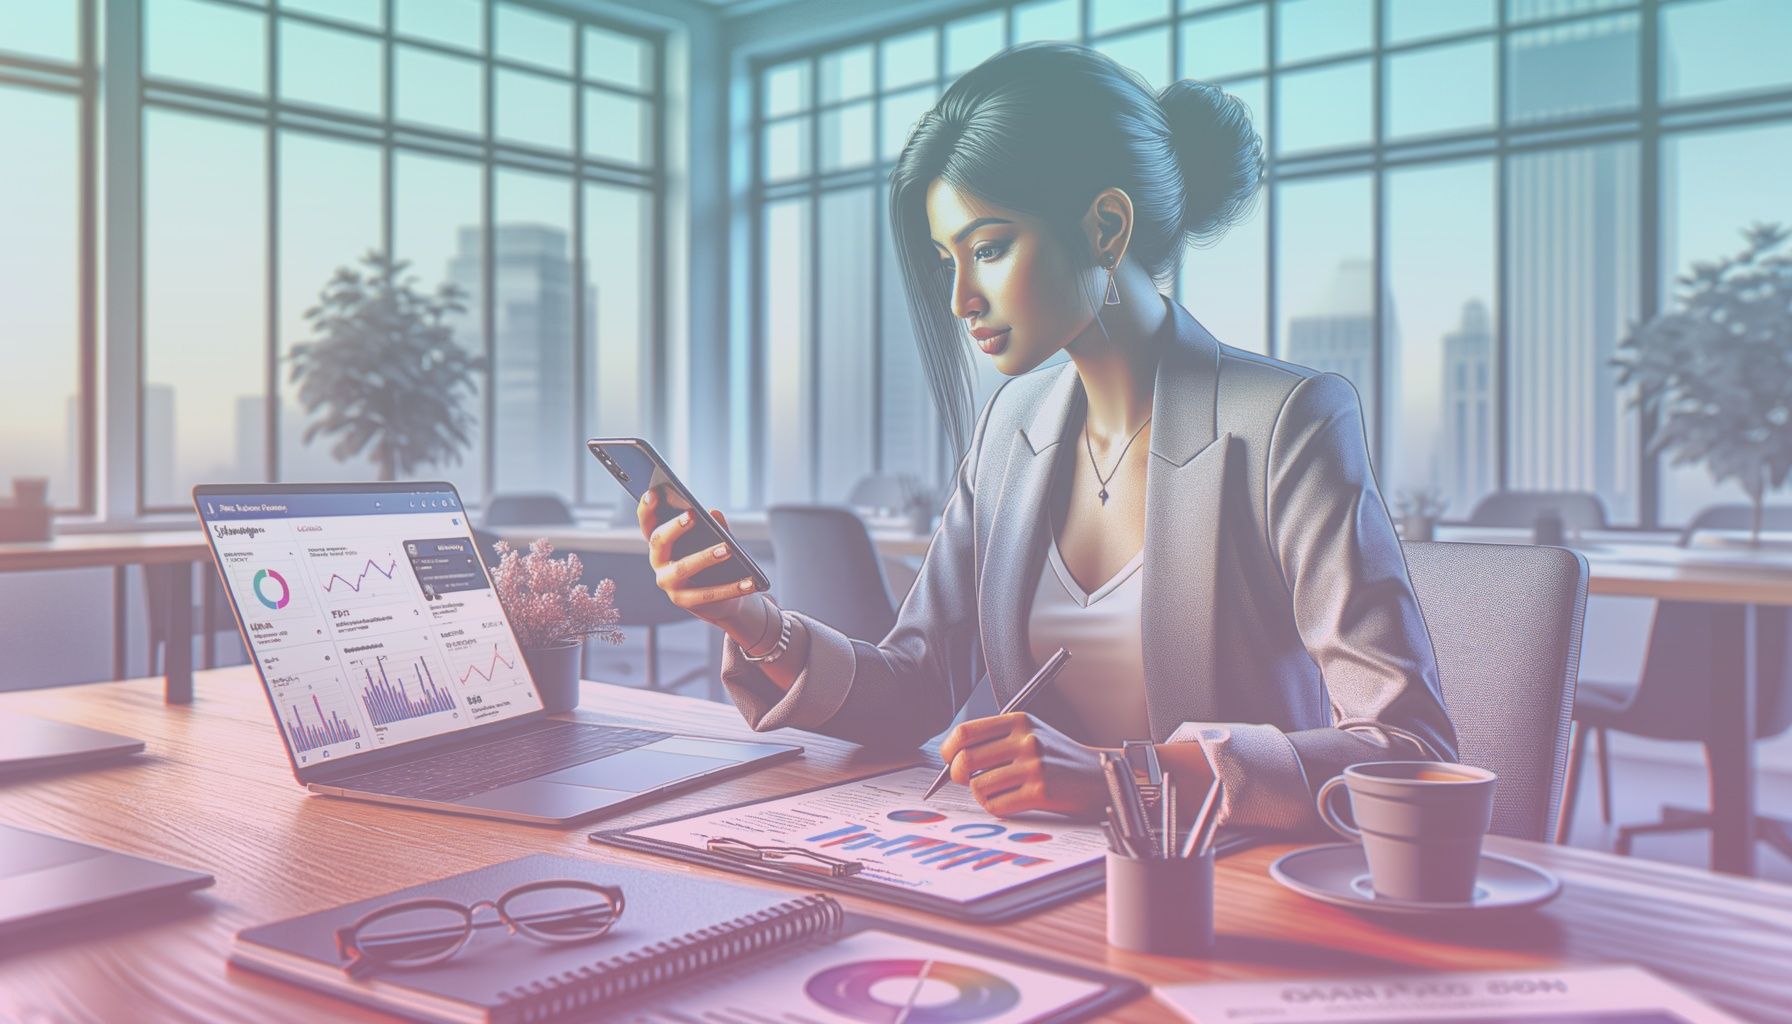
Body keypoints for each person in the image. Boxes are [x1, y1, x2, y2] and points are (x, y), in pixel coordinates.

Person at [639, 43, 1456, 832]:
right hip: (1031, 869)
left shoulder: (1288, 423)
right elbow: (919, 686)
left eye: (989, 248)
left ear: (1105, 227)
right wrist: (756, 623)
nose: (960, 298)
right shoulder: (1013, 426)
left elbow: (1407, 751)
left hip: (1214, 889)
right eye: (944, 260)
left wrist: (1123, 780)